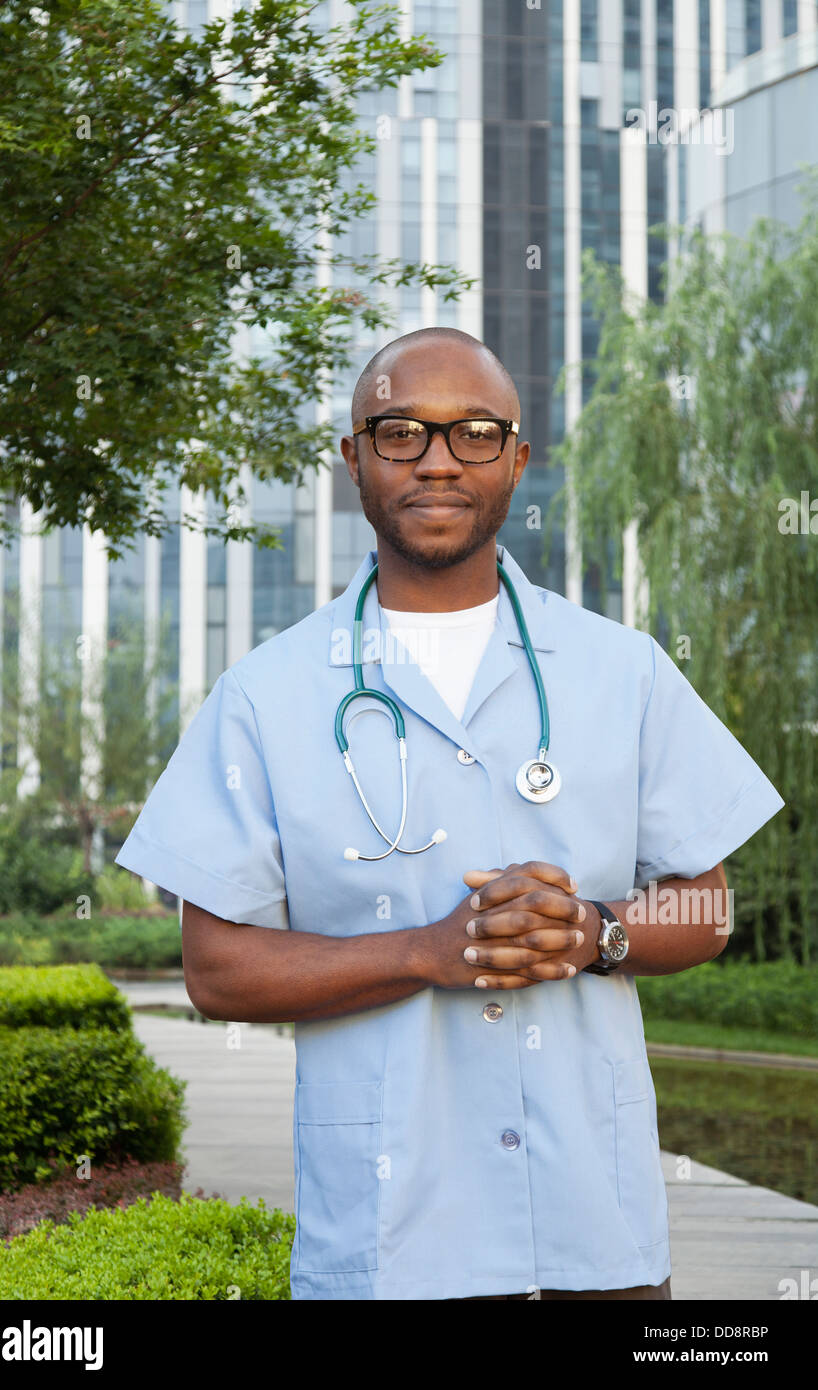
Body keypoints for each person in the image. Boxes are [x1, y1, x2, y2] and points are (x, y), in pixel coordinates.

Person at [115, 327, 785, 1301]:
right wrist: (423, 953)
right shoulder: (264, 695)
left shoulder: (622, 669)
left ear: (515, 459)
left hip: (593, 1239)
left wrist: (591, 934)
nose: (436, 459)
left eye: (472, 432)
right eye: (399, 432)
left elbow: (705, 908)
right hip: (390, 1249)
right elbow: (216, 969)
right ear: (353, 459)